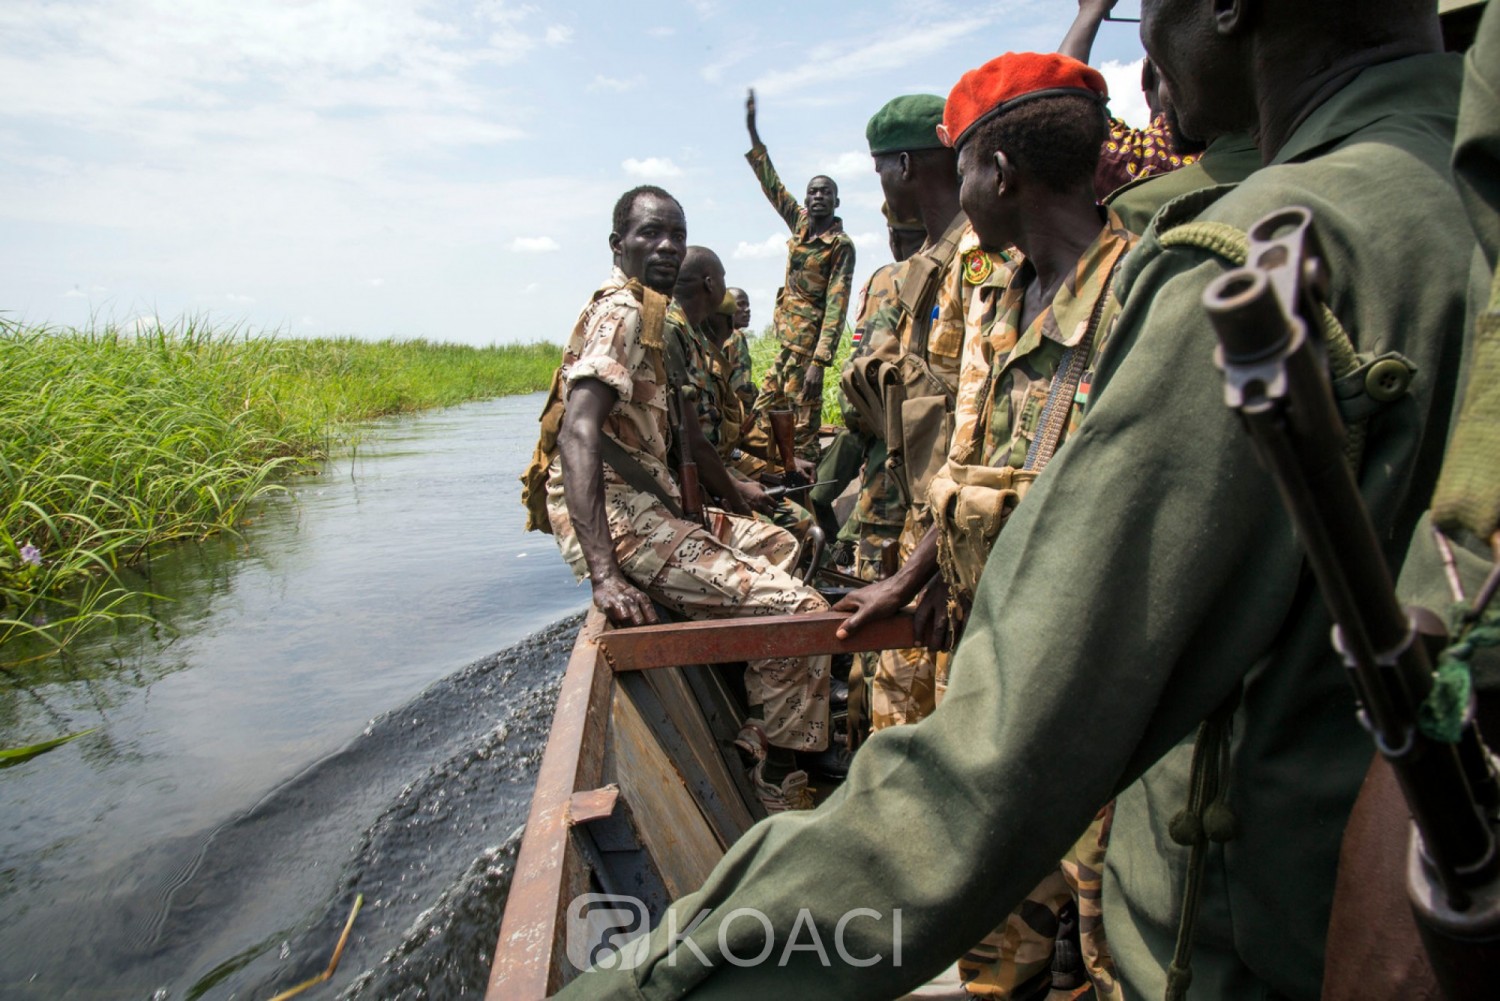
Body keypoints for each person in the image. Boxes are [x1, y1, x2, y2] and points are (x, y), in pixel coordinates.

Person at [557, 0, 1475, 995]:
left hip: (1235, 933)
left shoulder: (1244, 263)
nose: (1147, 41)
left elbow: (992, 770)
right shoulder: (1449, 189)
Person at [837, 53, 1134, 1000]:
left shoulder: (1139, 296)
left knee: (1099, 928)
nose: (958, 190)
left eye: (961, 165)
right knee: (1002, 926)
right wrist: (918, 578)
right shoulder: (1007, 296)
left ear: (996, 175)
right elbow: (966, 465)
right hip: (990, 657)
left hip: (1088, 685)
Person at [543, 187, 831, 813]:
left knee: (779, 542)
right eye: (651, 234)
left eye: (676, 233)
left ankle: (759, 706)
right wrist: (605, 576)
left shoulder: (656, 315)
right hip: (620, 516)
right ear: (619, 245)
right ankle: (779, 775)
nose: (667, 246)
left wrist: (730, 502)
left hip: (652, 501)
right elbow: (578, 431)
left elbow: (690, 437)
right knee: (802, 611)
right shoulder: (620, 314)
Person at [862, 93, 1015, 733]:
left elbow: (981, 431)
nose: (882, 191)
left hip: (957, 544)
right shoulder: (928, 262)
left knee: (951, 718)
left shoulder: (979, 257)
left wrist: (926, 569)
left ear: (903, 164)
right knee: (895, 708)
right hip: (925, 530)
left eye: (879, 173)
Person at [744, 89, 857, 462]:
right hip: (785, 343)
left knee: (803, 425)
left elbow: (837, 305)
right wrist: (754, 136)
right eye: (812, 192)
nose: (817, 197)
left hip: (808, 348)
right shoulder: (801, 226)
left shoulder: (839, 244)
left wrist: (818, 362)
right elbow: (772, 187)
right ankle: (771, 477)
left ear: (836, 202)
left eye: (826, 192)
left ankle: (808, 501)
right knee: (763, 410)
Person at [1061, 0, 1200, 200]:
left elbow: (1063, 114)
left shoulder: (1148, 159)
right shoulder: (1257, 147)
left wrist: (1091, 9)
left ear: (1147, 79)